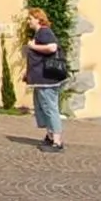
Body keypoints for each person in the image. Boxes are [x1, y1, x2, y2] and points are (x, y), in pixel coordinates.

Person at [24, 8, 64, 154]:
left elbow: (52, 47)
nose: (28, 21)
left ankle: (57, 141)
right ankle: (50, 136)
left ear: (38, 19)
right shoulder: (39, 33)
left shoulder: (44, 32)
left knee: (49, 108)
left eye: (30, 18)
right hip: (41, 79)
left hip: (47, 80)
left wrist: (33, 46)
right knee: (42, 108)